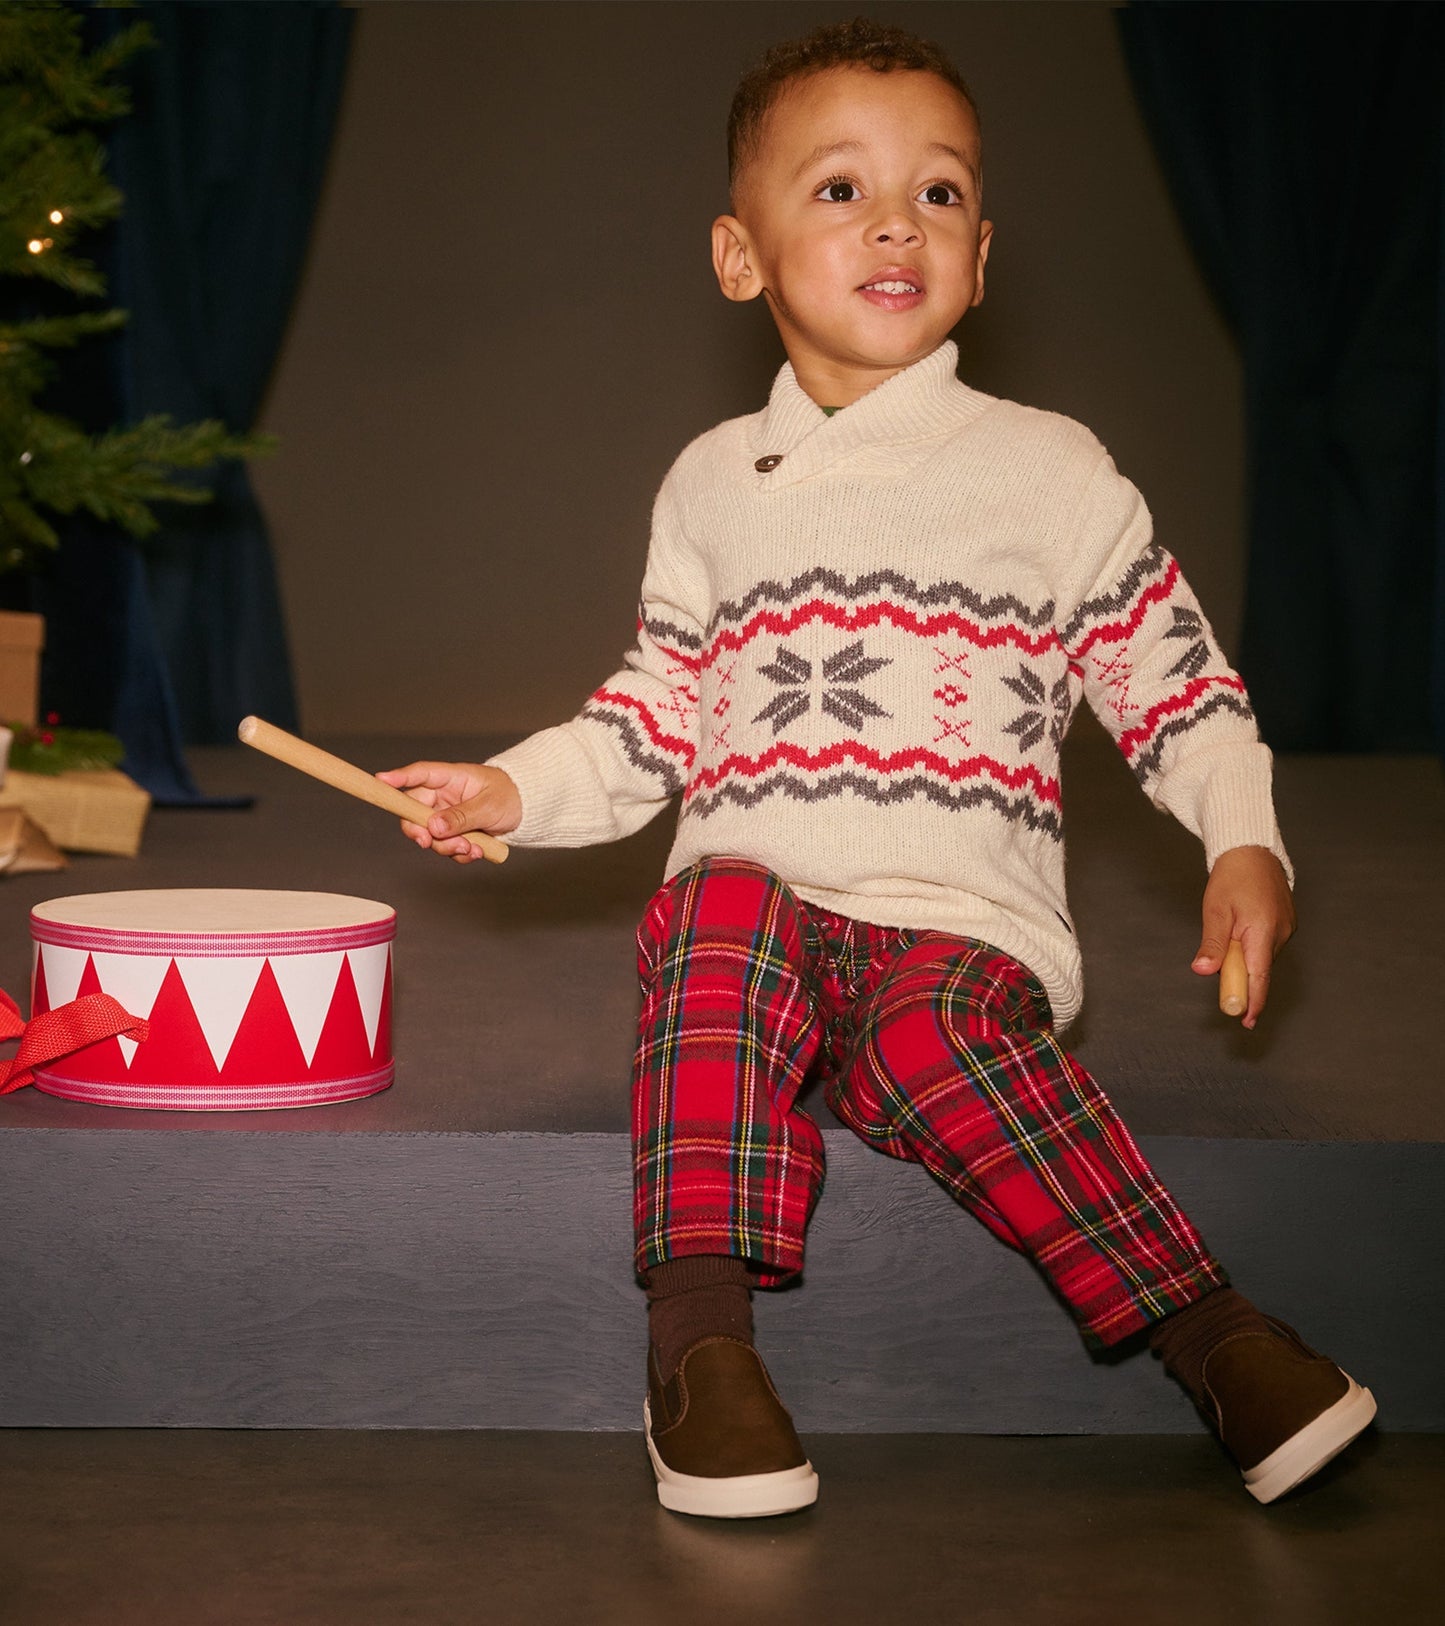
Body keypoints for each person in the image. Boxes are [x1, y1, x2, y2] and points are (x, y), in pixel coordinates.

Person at [379, 19, 1375, 1519]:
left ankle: (1217, 1335)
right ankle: (700, 1346)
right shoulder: (712, 483)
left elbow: (1173, 679)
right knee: (712, 910)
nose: (897, 221)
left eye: (942, 194)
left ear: (983, 254)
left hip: (954, 934)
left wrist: (1244, 839)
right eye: (839, 189)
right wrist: (509, 791)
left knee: (932, 1040)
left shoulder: (1049, 470)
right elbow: (653, 709)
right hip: (764, 917)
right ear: (740, 254)